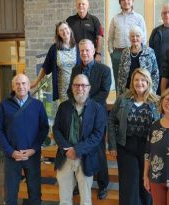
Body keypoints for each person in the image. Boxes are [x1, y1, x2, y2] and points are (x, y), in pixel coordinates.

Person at [0, 74, 49, 205]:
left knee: (35, 194)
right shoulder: (4, 105)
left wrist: (34, 149)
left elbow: (44, 129)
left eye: (24, 83)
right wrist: (10, 151)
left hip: (32, 156)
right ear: (13, 86)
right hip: (12, 156)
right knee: (10, 195)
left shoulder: (38, 105)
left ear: (29, 86)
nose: (21, 86)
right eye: (17, 84)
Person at [68, 39, 112, 199]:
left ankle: (103, 184)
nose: (84, 53)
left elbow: (104, 93)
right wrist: (76, 105)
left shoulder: (104, 70)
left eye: (87, 50)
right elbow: (69, 90)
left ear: (94, 51)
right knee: (79, 149)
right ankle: (79, 184)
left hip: (96, 115)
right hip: (77, 115)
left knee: (98, 151)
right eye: (82, 51)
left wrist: (85, 104)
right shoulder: (75, 70)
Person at [108, 68, 160, 205]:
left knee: (147, 186)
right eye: (136, 79)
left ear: (148, 82)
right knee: (128, 187)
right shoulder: (122, 99)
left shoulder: (157, 101)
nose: (139, 83)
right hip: (126, 147)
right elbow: (111, 120)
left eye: (143, 80)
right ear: (132, 82)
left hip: (149, 149)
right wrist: (112, 145)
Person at [53, 74, 106, 205]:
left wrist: (77, 150)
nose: (80, 88)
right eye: (76, 85)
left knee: (86, 200)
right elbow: (56, 129)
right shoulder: (63, 107)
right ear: (72, 88)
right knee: (64, 199)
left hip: (86, 158)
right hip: (65, 157)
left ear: (89, 88)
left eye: (83, 85)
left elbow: (97, 135)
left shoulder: (97, 109)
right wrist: (67, 149)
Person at [30, 21, 81, 103]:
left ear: (70, 30)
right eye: (61, 30)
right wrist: (36, 82)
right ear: (58, 34)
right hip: (62, 90)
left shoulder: (78, 47)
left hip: (78, 88)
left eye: (65, 28)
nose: (64, 31)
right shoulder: (54, 49)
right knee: (65, 114)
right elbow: (45, 67)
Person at [108, 0, 147, 87]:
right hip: (118, 54)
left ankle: (133, 100)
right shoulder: (115, 18)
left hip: (134, 53)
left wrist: (139, 52)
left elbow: (143, 37)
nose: (126, 1)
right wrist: (112, 53)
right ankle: (120, 100)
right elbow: (110, 38)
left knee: (135, 80)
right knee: (119, 82)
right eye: (123, 0)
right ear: (120, 2)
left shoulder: (139, 18)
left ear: (132, 2)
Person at [117, 25, 159, 96]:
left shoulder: (149, 52)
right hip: (128, 90)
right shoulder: (125, 52)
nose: (135, 38)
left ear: (141, 37)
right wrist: (120, 94)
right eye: (132, 36)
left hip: (145, 90)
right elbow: (120, 74)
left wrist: (152, 91)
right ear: (129, 38)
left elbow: (155, 73)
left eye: (137, 36)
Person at [148, 3, 169, 95]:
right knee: (158, 96)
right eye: (164, 13)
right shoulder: (156, 31)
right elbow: (150, 50)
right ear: (161, 15)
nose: (167, 15)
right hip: (158, 70)